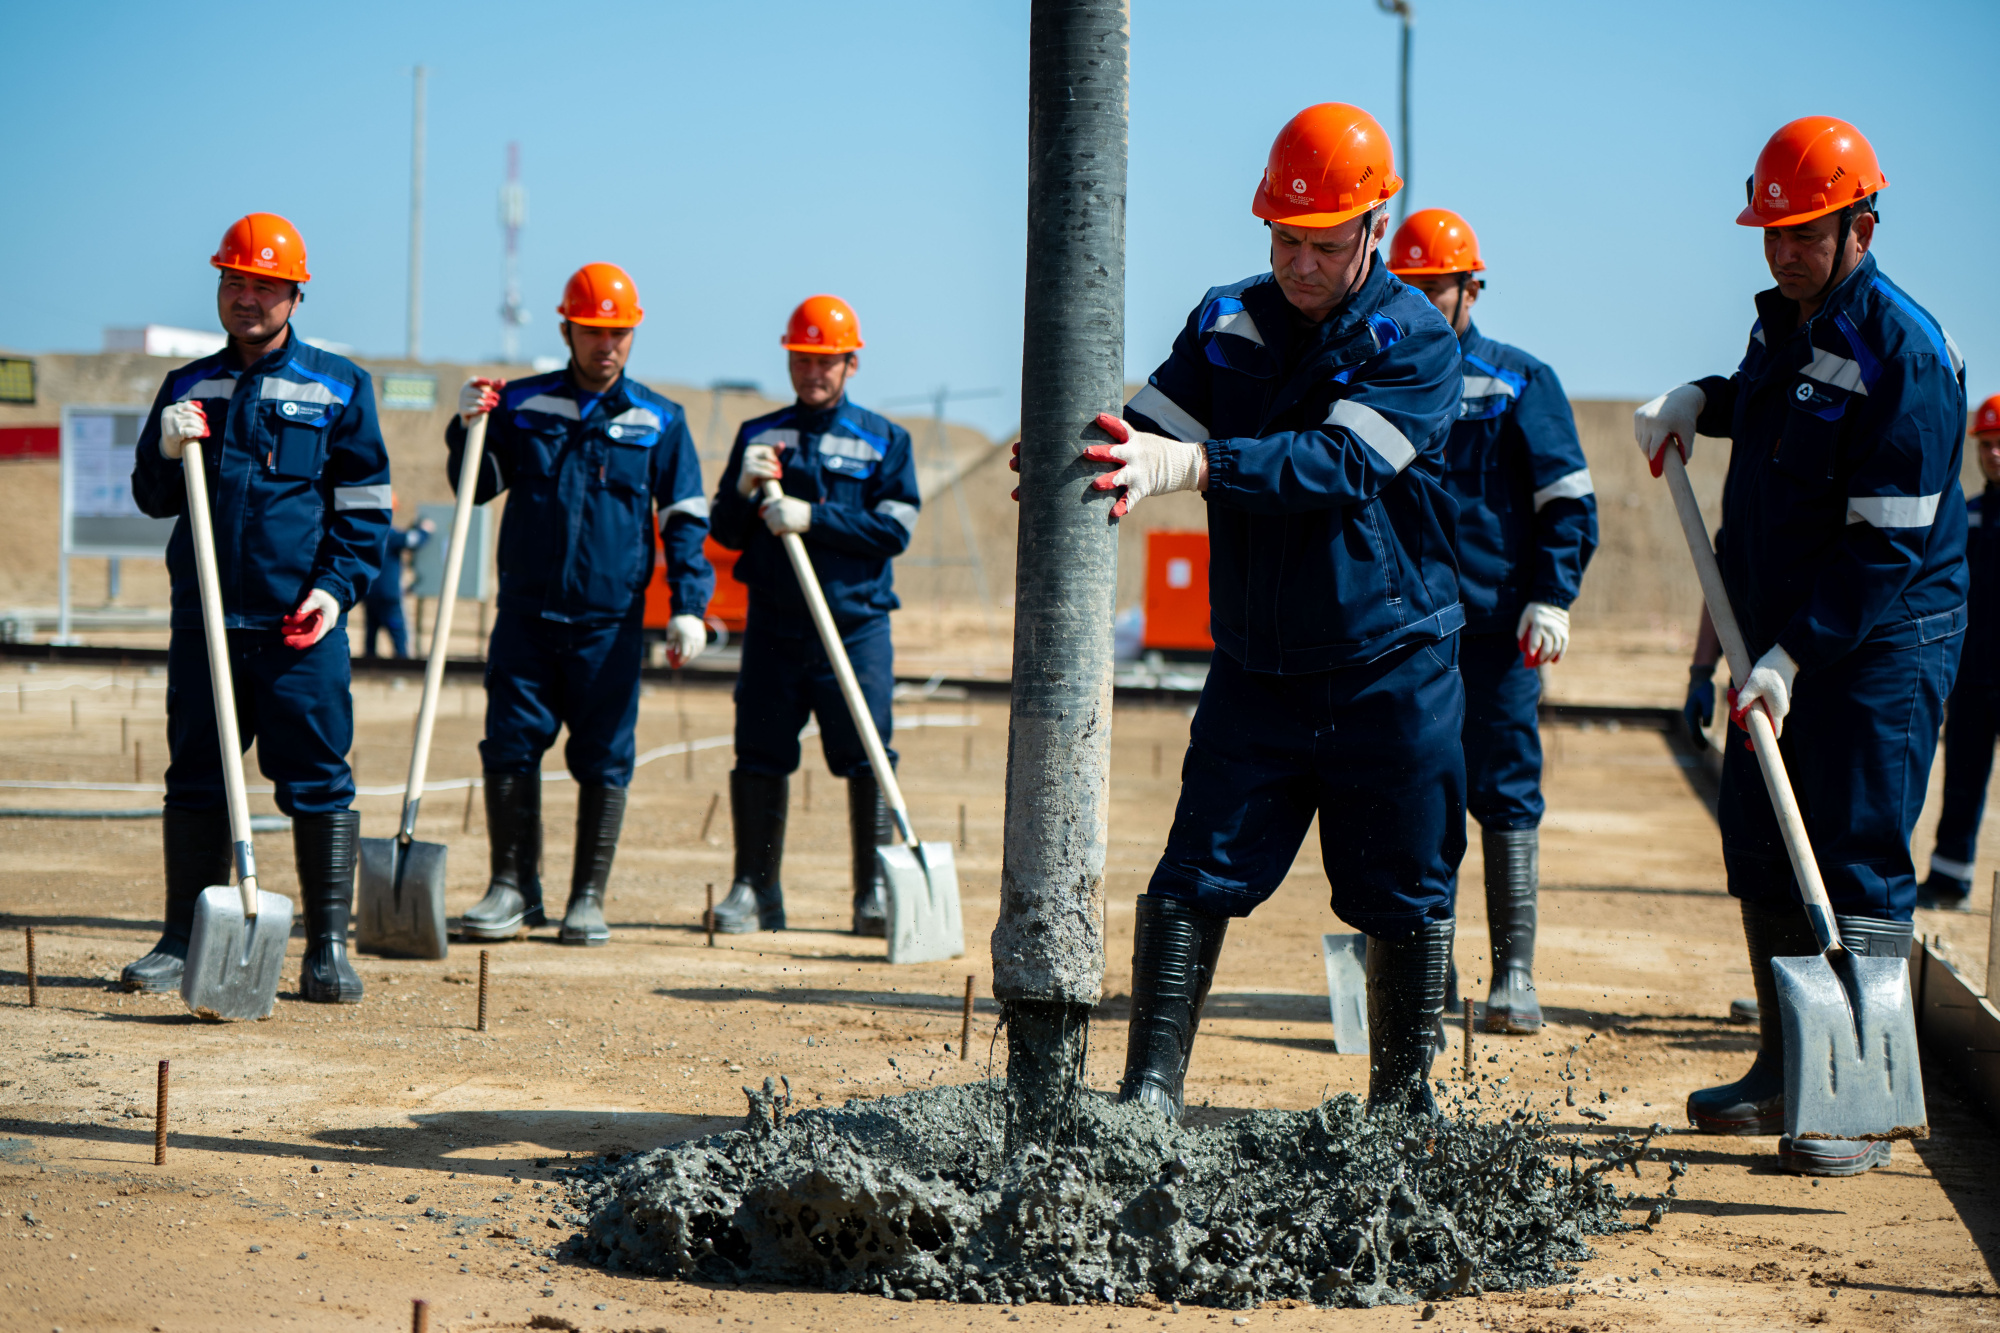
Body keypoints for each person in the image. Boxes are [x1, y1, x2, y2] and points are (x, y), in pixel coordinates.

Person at [1064, 104, 1465, 1117]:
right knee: (1194, 870)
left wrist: (1192, 467)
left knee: (1402, 894)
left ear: (1375, 226)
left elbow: (1335, 465)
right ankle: (1148, 1095)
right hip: (1259, 670)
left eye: (1323, 246)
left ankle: (1398, 1108)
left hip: (1388, 670)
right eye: (1283, 241)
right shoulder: (1225, 321)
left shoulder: (1413, 344)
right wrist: (1081, 451)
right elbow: (1146, 426)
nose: (1298, 266)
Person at [1634, 117, 1967, 1176]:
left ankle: (1857, 1105)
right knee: (1762, 838)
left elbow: (1882, 549)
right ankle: (1786, 1066)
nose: (1781, 251)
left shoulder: (1904, 352)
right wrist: (1701, 399)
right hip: (1778, 629)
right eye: (1769, 231)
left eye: (1803, 233)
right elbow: (1779, 412)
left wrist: (1787, 659)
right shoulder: (1783, 322)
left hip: (1882, 638)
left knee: (1857, 849)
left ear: (1857, 226)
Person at [123, 212, 392, 1004]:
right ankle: (180, 938)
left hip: (297, 626)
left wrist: (334, 590)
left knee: (318, 780)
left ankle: (329, 947)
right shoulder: (185, 386)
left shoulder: (340, 386)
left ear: (295, 295)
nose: (248, 298)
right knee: (198, 781)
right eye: (235, 282)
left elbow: (366, 507)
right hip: (206, 621)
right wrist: (168, 451)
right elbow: (150, 496)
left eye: (265, 286)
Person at [448, 263, 713, 946]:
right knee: (509, 745)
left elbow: (685, 517)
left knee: (603, 757)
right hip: (527, 620)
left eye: (619, 333)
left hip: (610, 625)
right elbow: (474, 486)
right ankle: (513, 887)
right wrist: (466, 426)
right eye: (594, 332)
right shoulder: (522, 405)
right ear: (567, 328)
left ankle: (587, 898)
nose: (607, 346)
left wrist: (690, 603)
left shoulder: (661, 420)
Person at [1386, 208, 1598, 1035]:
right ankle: (1425, 970)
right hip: (1413, 631)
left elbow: (1568, 503)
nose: (1420, 302)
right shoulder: (1385, 381)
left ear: (1471, 287)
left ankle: (1514, 972)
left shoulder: (1518, 381)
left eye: (1434, 287)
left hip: (1501, 630)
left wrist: (1554, 594)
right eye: (1406, 288)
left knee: (1504, 788)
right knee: (1419, 792)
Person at [708, 296, 920, 937]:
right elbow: (723, 530)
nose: (812, 372)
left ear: (851, 363)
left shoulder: (886, 440)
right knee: (760, 754)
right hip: (773, 628)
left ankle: (872, 896)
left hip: (855, 628)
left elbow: (894, 531)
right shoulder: (758, 435)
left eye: (825, 360)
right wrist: (743, 492)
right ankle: (755, 890)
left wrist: (813, 516)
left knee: (867, 758)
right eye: (802, 359)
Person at [1919, 395, 2000, 910]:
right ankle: (1950, 879)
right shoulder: (1966, 517)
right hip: (1973, 677)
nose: (1994, 454)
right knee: (1963, 778)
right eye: (1987, 445)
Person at [360, 499, 433, 659]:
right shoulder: (390, 534)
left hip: (369, 592)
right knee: (398, 632)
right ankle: (402, 665)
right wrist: (425, 531)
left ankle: (369, 663)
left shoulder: (367, 532)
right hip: (388, 593)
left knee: (371, 631)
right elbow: (414, 540)